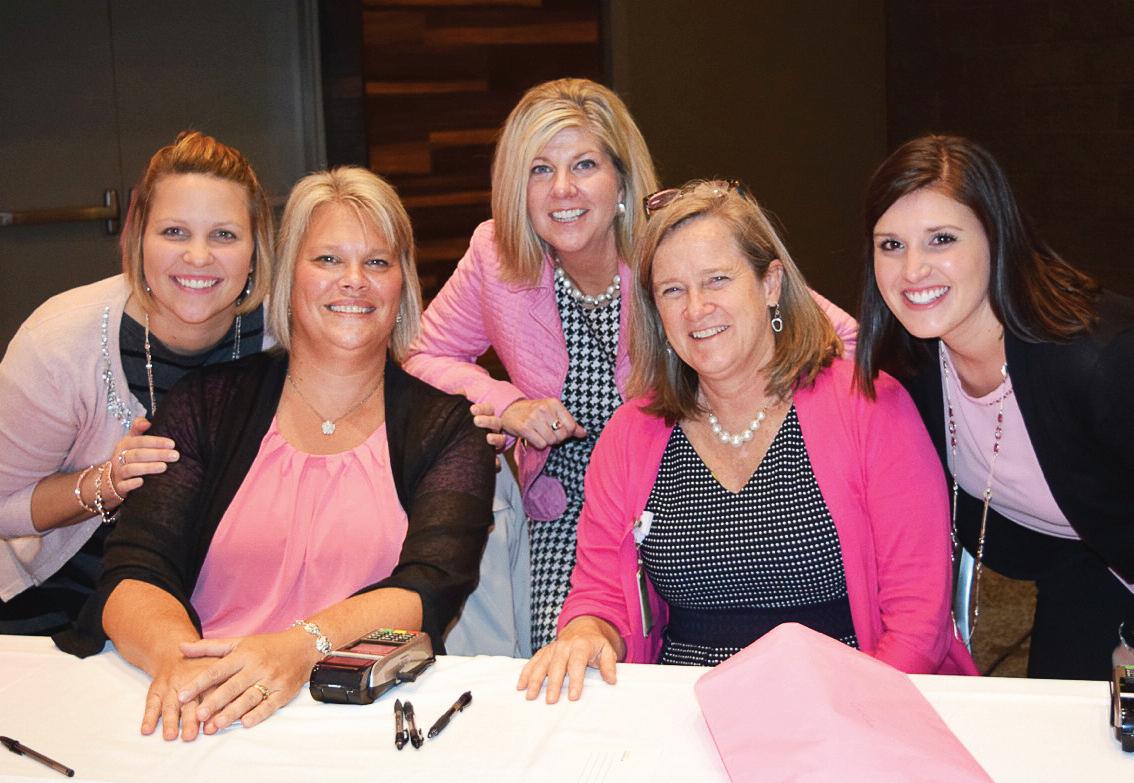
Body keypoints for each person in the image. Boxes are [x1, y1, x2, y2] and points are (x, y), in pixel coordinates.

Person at [404, 78, 858, 652]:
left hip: (684, 484)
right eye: (540, 170)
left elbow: (838, 337)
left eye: (585, 165)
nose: (562, 189)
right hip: (570, 503)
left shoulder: (670, 247)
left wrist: (757, 421)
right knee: (565, 659)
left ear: (621, 179)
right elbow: (420, 354)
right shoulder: (494, 256)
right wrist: (508, 405)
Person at [55, 167, 495, 740]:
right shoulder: (205, 405)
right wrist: (181, 667)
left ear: (403, 284)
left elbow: (429, 587)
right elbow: (134, 571)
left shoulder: (450, 429)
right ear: (288, 276)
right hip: (202, 708)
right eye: (328, 259)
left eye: (377, 262)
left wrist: (296, 650)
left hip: (362, 718)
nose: (354, 281)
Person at [518, 179, 974, 702]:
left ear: (770, 284)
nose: (695, 309)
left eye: (716, 280)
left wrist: (841, 717)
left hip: (852, 698)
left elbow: (917, 623)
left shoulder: (870, 406)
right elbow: (601, 595)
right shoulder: (631, 434)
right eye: (672, 291)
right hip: (688, 708)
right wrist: (586, 632)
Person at [854, 134, 1134, 680]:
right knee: (1055, 729)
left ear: (996, 235)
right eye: (891, 245)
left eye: (941, 239)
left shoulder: (1098, 363)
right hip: (1085, 569)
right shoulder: (909, 364)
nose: (912, 270)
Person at [0, 131, 274, 635]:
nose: (198, 257)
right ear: (136, 237)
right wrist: (107, 482)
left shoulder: (288, 336)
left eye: (223, 235)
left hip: (236, 609)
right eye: (174, 232)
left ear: (257, 249)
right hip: (64, 603)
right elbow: (3, 507)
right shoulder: (60, 341)